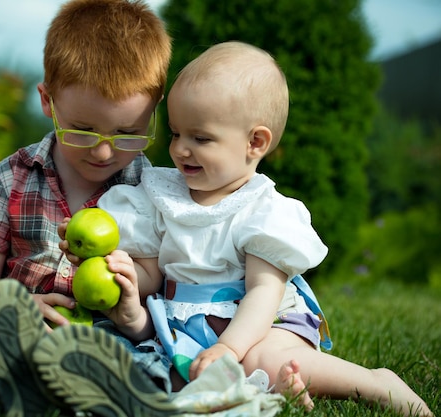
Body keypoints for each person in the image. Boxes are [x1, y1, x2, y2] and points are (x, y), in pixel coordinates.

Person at [78, 41, 431, 416]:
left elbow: (263, 292)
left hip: (261, 322)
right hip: (192, 324)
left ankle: (375, 383)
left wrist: (230, 348)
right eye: (176, 133)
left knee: (259, 358)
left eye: (200, 138)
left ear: (255, 142)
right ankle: (277, 390)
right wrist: (128, 280)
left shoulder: (262, 211)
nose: (181, 149)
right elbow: (151, 274)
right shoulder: (162, 197)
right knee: (175, 378)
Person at [0, 1, 178, 416]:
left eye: (128, 133)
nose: (104, 150)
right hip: (22, 333)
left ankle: (107, 389)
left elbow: (156, 294)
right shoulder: (9, 181)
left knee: (138, 357)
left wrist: (133, 292)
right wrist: (17, 308)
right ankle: (39, 382)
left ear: (153, 111)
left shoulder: (157, 193)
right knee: (1, 337)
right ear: (47, 100)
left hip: (109, 338)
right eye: (83, 130)